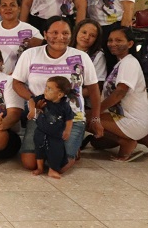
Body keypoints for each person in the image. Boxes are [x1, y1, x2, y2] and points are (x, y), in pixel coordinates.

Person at [10, 17, 102, 173]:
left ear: (71, 35)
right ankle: (59, 148)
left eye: (65, 33)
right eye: (54, 32)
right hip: (41, 116)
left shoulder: (81, 57)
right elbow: (17, 83)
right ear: (45, 34)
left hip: (71, 118)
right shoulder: (30, 54)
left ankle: (71, 148)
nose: (60, 37)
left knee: (58, 166)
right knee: (29, 163)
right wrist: (32, 99)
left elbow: (93, 89)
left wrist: (95, 118)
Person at [93, 27, 148, 161]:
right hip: (131, 118)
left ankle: (126, 142)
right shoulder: (122, 62)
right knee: (95, 133)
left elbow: (119, 93)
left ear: (130, 44)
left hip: (134, 120)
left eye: (119, 40)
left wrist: (96, 112)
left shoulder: (129, 63)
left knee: (86, 119)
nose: (113, 43)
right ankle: (146, 138)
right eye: (110, 40)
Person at [29, 76, 74, 178]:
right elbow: (31, 100)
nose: (45, 90)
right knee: (39, 149)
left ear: (60, 94)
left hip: (55, 135)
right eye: (46, 87)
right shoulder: (43, 98)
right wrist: (32, 110)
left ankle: (52, 169)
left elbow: (69, 119)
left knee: (55, 152)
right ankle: (40, 168)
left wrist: (67, 131)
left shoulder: (64, 106)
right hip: (40, 131)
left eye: (49, 89)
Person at [70, 19, 106, 84]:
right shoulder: (64, 49)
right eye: (84, 32)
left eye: (92, 35)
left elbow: (98, 86)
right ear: (77, 31)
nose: (87, 37)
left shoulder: (98, 56)